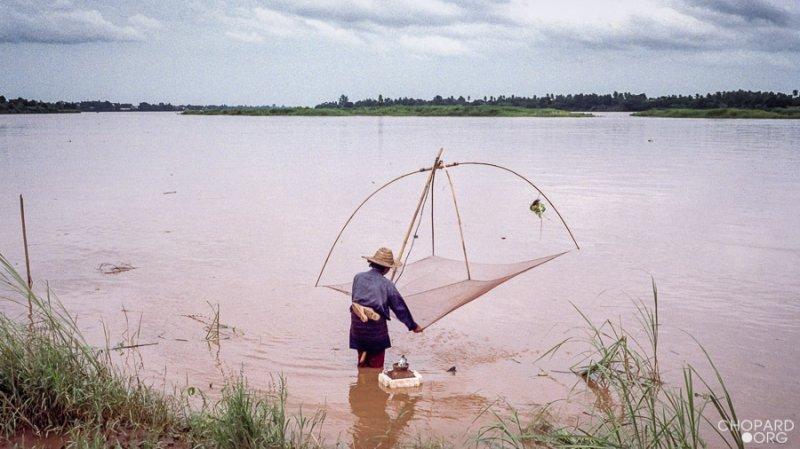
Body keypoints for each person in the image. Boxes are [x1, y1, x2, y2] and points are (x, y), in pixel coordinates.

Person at [350, 247, 421, 368]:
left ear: (372, 263)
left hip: (358, 326)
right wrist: (413, 325)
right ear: (387, 268)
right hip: (375, 329)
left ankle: (362, 380)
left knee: (362, 362)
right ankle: (371, 382)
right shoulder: (387, 284)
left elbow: (355, 299)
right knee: (376, 366)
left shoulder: (358, 277)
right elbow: (399, 308)